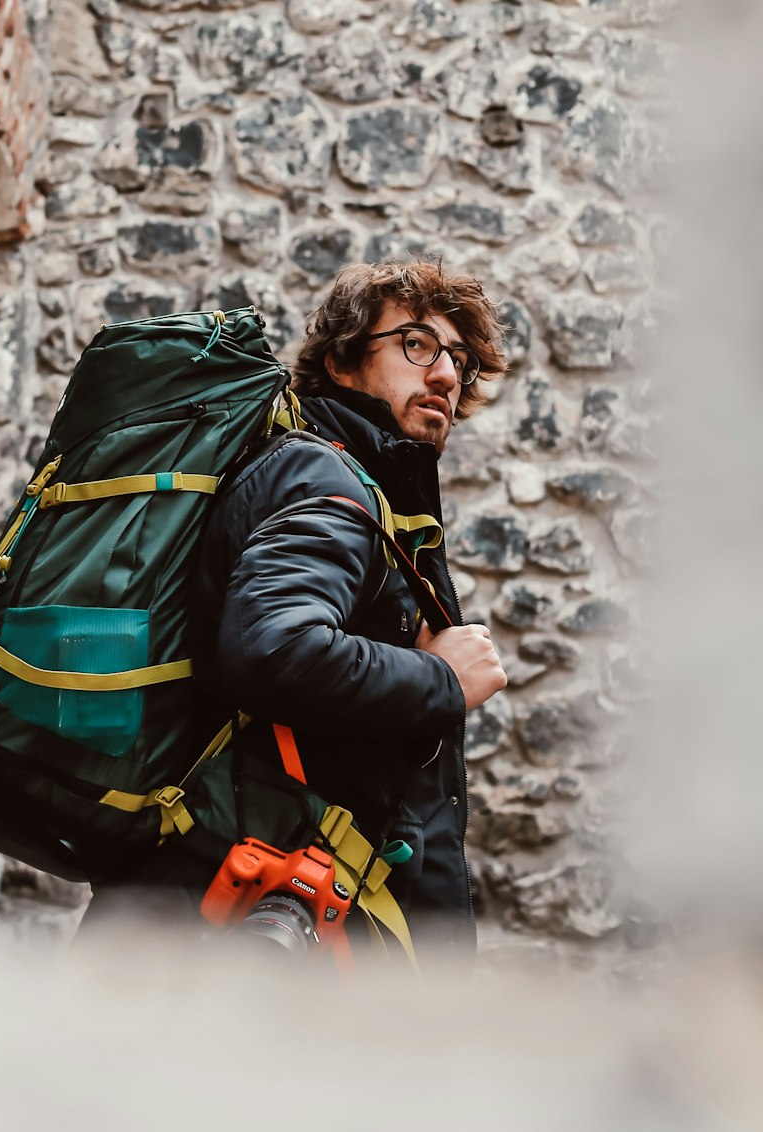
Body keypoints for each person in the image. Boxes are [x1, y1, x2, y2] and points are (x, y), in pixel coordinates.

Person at [84, 259, 509, 958]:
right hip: (245, 921)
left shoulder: (348, 478)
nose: (444, 374)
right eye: (416, 344)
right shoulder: (326, 478)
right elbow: (274, 647)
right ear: (342, 361)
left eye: (457, 358)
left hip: (224, 905)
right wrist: (442, 682)